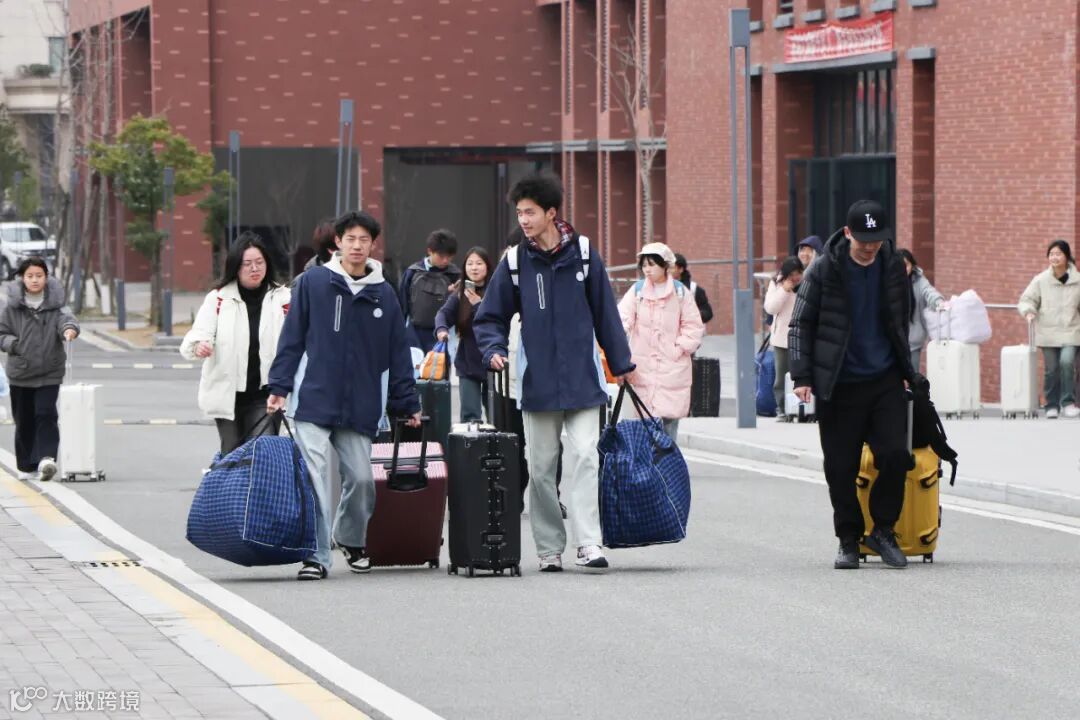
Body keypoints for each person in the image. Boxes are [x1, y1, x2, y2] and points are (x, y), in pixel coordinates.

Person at [474, 173, 633, 573]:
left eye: (529, 212)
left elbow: (606, 313)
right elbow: (490, 316)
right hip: (538, 382)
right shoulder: (515, 262)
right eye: (519, 213)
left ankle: (589, 542)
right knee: (542, 469)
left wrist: (621, 364)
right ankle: (549, 547)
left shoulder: (583, 254)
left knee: (586, 456)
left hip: (583, 378)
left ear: (551, 213)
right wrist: (494, 350)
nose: (523, 220)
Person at [267, 211, 422, 581]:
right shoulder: (313, 283)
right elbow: (292, 338)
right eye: (350, 239)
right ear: (337, 242)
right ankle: (316, 555)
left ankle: (350, 538)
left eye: (363, 240)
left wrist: (407, 403)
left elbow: (398, 354)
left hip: (360, 403)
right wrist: (279, 387)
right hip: (314, 397)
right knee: (315, 476)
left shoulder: (384, 293)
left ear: (372, 245)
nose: (356, 246)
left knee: (362, 479)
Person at [788, 200, 916, 570]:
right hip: (839, 383)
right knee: (840, 467)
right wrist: (802, 376)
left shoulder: (892, 266)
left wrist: (905, 366)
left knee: (896, 455)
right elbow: (800, 323)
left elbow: (902, 317)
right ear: (847, 234)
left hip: (884, 379)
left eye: (876, 240)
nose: (870, 247)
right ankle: (848, 540)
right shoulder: (824, 268)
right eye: (863, 241)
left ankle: (883, 530)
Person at [181, 233, 291, 455]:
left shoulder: (283, 299)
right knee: (232, 455)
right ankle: (225, 479)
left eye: (259, 262)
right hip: (227, 396)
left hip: (266, 396)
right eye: (247, 264)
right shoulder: (218, 299)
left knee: (262, 454)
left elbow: (294, 343)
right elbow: (195, 338)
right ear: (235, 267)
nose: (254, 268)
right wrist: (200, 345)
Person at [0, 257, 78, 481]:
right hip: (21, 372)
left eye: (39, 275)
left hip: (49, 371)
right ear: (22, 278)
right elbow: (2, 334)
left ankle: (47, 459)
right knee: (24, 419)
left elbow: (67, 320)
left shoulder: (56, 302)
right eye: (30, 276)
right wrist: (14, 345)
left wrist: (69, 330)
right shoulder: (11, 307)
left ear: (46, 277)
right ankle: (27, 466)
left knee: (46, 414)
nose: (35, 280)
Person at [618, 243, 704, 440]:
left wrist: (678, 349)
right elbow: (622, 318)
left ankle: (668, 460)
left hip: (672, 367)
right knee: (643, 425)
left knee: (668, 425)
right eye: (644, 265)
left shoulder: (680, 293)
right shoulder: (637, 291)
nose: (647, 269)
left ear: (665, 265)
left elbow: (693, 326)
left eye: (652, 264)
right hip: (642, 367)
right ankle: (648, 461)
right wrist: (620, 340)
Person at [1018, 239, 1080, 419]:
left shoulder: (1078, 280)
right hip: (1048, 332)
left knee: (1067, 362)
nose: (1054, 257)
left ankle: (1067, 402)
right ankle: (1051, 405)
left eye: (1058, 254)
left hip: (1072, 330)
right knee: (1051, 369)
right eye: (1051, 254)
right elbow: (1027, 300)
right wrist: (1029, 312)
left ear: (1066, 256)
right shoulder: (1040, 280)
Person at [435, 246, 494, 422]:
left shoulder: (496, 290)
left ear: (487, 266)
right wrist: (442, 329)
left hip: (494, 361)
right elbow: (443, 313)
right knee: (470, 416)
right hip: (468, 361)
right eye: (470, 263)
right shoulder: (461, 293)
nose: (474, 268)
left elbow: (492, 321)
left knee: (496, 416)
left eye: (479, 263)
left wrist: (477, 304)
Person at [399, 228, 461, 354]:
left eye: (449, 257)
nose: (445, 261)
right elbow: (402, 305)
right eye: (441, 256)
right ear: (430, 251)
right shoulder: (413, 272)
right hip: (415, 333)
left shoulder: (455, 275)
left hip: (445, 334)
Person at [763, 256, 804, 419]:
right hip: (782, 339)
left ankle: (801, 410)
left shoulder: (806, 284)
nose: (795, 277)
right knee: (781, 378)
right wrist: (784, 291)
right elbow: (771, 308)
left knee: (800, 377)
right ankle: (783, 409)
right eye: (792, 274)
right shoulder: (776, 283)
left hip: (802, 338)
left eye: (798, 273)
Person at [899, 249, 946, 372]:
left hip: (913, 342)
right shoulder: (888, 281)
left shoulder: (919, 281)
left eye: (906, 265)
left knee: (912, 375)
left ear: (912, 265)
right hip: (891, 342)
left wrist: (939, 302)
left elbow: (929, 292)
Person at [673, 253, 713, 324]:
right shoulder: (662, 288)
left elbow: (708, 313)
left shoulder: (694, 288)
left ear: (681, 269)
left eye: (672, 267)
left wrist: (694, 315)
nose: (668, 270)